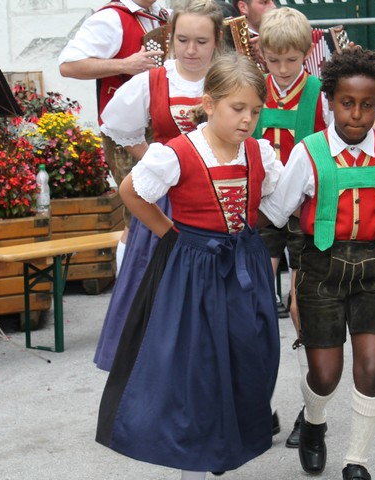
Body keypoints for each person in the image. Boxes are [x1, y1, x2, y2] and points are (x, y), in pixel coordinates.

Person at [96, 53, 282, 479]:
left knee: (248, 358)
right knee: (196, 368)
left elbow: (274, 198)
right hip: (195, 271)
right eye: (238, 108)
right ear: (209, 104)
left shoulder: (258, 152)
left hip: (243, 265)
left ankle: (225, 448)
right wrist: (171, 233)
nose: (248, 120)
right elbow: (131, 191)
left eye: (255, 111)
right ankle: (191, 469)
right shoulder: (178, 153)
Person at [259, 48, 375, 480]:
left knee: (371, 368)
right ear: (331, 102)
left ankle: (357, 461)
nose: (356, 114)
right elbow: (277, 211)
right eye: (347, 103)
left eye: (367, 105)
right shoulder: (309, 152)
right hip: (320, 271)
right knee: (325, 375)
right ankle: (313, 422)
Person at [94, 0, 223, 372]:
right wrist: (154, 157)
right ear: (170, 38)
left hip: (217, 200)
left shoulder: (227, 80)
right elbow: (115, 125)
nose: (190, 50)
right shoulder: (154, 80)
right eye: (182, 40)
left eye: (201, 41)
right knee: (155, 284)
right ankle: (151, 377)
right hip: (167, 203)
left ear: (217, 41)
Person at [252, 6, 329, 450]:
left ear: (306, 54)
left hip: (306, 212)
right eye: (274, 60)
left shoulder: (321, 94)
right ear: (262, 55)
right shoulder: (254, 90)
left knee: (303, 311)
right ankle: (258, 407)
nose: (282, 69)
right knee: (255, 305)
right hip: (264, 211)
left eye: (292, 60)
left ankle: (311, 412)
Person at [58, 0, 169, 272]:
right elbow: (68, 65)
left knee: (160, 209)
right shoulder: (112, 18)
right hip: (126, 129)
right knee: (138, 213)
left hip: (161, 121)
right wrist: (125, 64)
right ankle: (128, 286)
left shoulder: (163, 14)